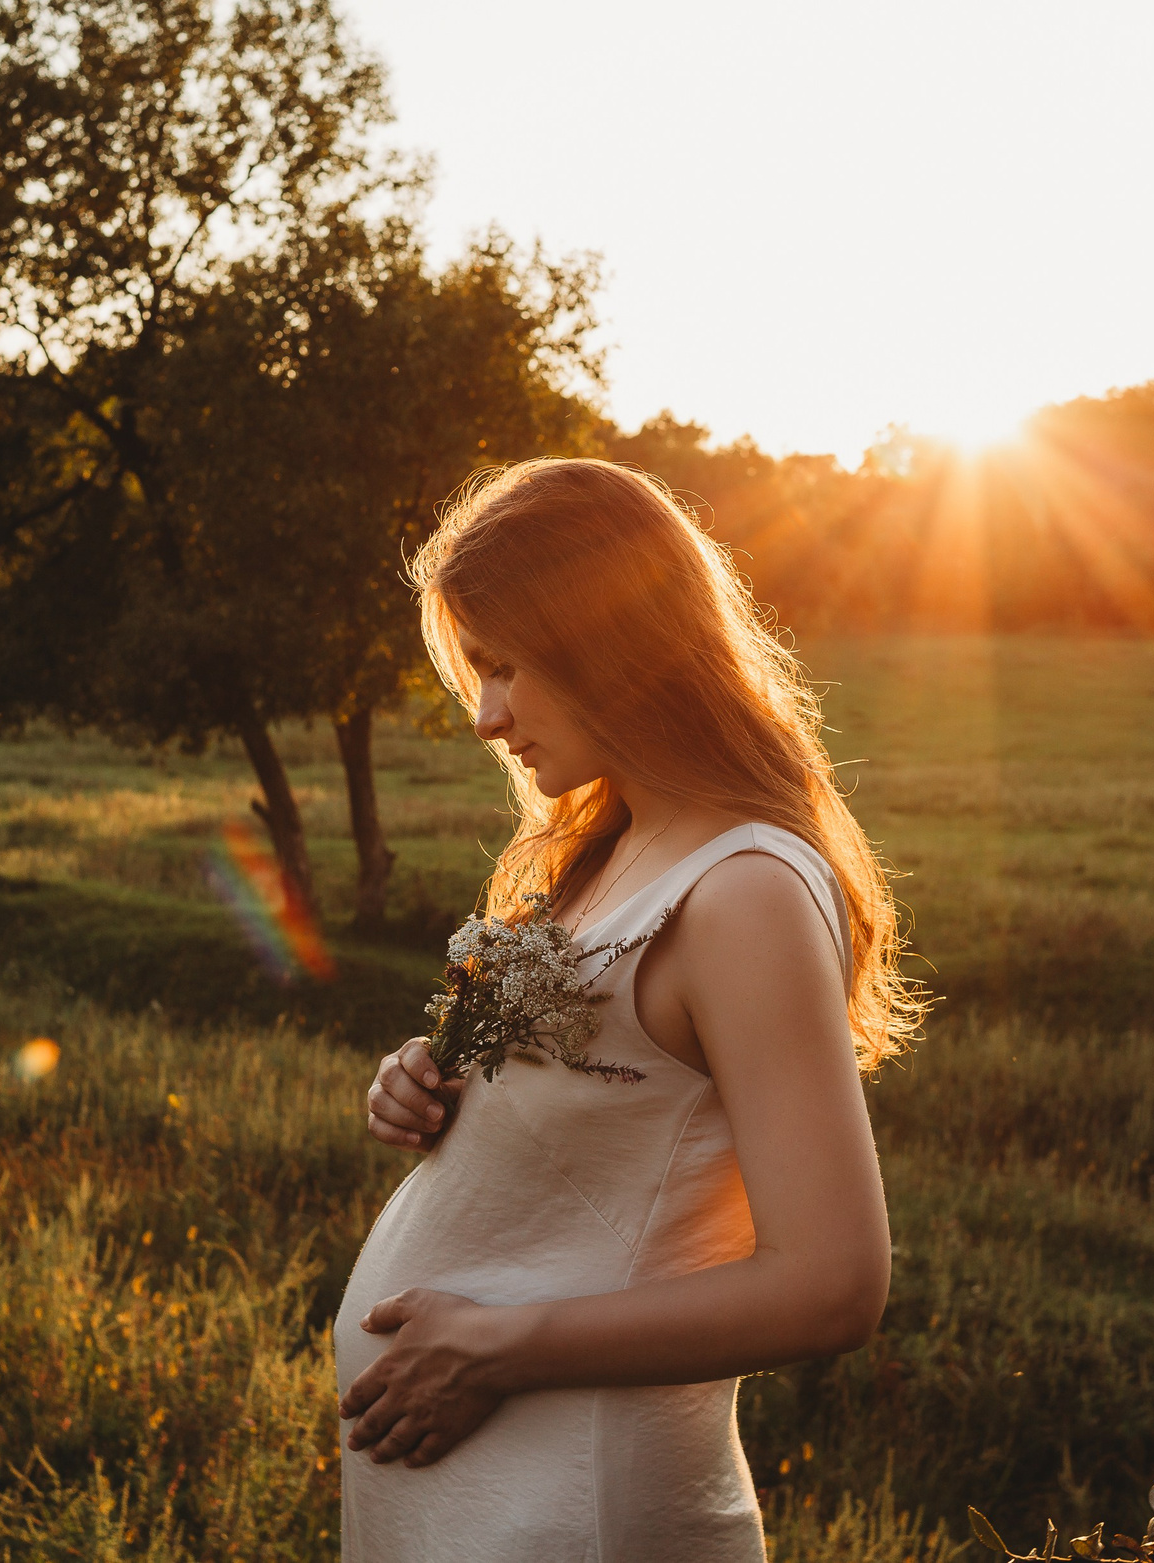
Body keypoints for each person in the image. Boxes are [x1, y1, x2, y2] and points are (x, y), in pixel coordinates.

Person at [335, 457, 923, 1561]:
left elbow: (834, 1284)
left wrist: (499, 1349)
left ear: (610, 638)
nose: (487, 715)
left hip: (574, 1501)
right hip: (472, 1495)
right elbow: (606, 1107)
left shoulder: (741, 890)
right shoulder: (608, 846)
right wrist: (431, 1081)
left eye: (505, 666)